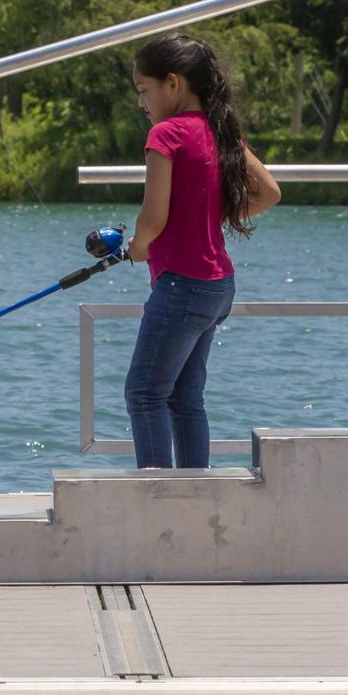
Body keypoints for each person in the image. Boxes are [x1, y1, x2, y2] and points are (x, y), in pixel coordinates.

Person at [124, 33, 281, 469]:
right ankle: (197, 491)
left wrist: (138, 246)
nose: (142, 102)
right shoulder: (219, 130)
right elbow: (269, 192)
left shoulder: (166, 134)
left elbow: (152, 219)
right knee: (185, 397)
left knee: (144, 393)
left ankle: (157, 496)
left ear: (172, 84)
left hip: (182, 286)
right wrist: (212, 216)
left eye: (144, 90)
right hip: (218, 287)